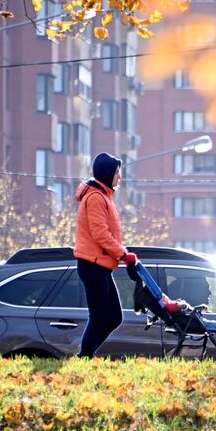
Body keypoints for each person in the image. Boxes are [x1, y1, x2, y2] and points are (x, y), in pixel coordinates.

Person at [73, 152, 137, 358]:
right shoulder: (95, 198)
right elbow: (100, 233)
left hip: (100, 265)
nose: (119, 177)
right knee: (99, 316)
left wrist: (120, 254)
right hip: (92, 265)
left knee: (114, 317)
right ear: (107, 173)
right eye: (117, 173)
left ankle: (86, 355)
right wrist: (123, 254)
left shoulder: (103, 196)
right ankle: (84, 357)